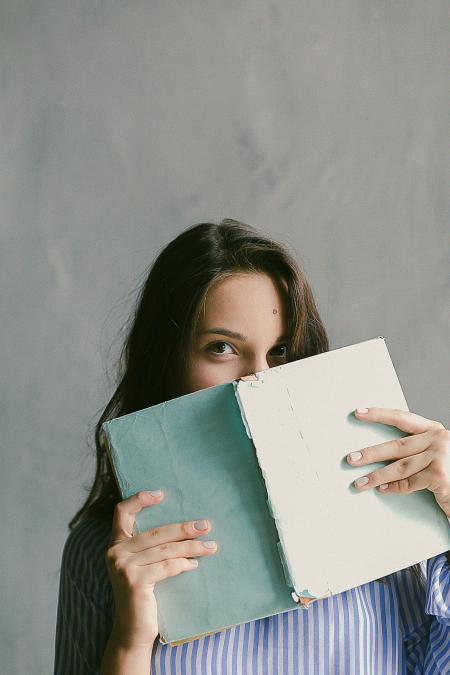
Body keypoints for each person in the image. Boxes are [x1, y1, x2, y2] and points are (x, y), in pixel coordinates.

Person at [53, 219, 450, 674]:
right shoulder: (102, 551)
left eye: (281, 351)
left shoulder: (384, 515)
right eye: (221, 347)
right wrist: (131, 641)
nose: (258, 379)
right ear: (168, 358)